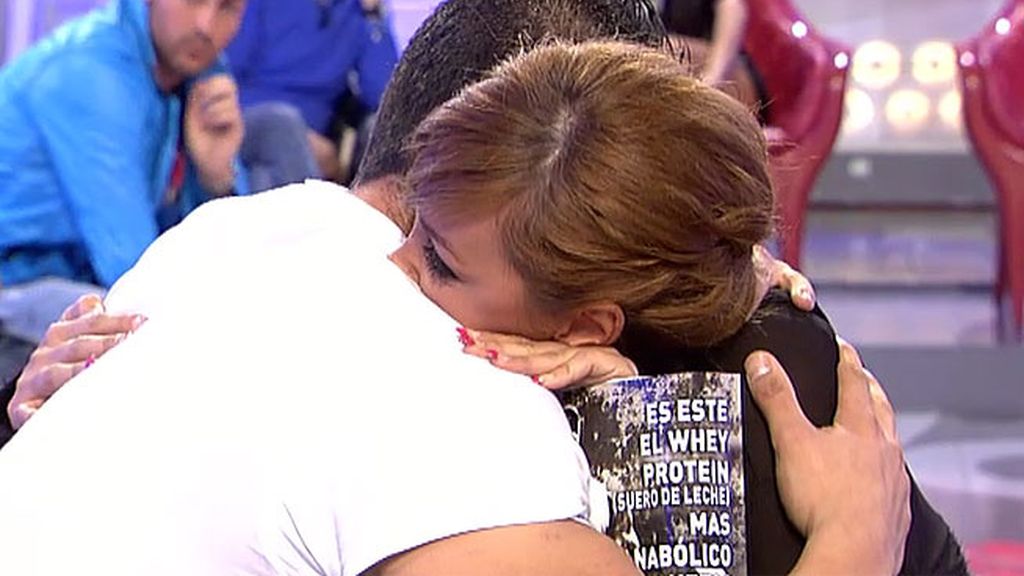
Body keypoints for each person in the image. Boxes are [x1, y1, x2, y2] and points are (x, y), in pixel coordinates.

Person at [5, 39, 905, 575]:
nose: (396, 268)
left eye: (436, 261)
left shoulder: (253, 224)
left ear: (587, 324)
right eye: (418, 230)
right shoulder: (464, 412)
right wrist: (854, 541)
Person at [0, 0, 250, 292]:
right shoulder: (90, 72)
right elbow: (133, 272)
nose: (205, 26)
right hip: (16, 283)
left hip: (85, 278)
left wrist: (217, 182)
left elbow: (232, 256)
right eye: (193, 1)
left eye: (227, 8)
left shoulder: (199, 72)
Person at [228, 0, 399, 189]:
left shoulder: (356, 13)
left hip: (301, 147)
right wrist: (300, 138)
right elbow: (227, 74)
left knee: (264, 179)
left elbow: (383, 97)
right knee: (282, 123)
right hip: (246, 118)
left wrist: (373, 15)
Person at [658, 0, 766, 113]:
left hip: (729, 75)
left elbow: (733, 9)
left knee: (664, 48)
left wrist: (713, 78)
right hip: (678, 81)